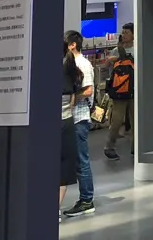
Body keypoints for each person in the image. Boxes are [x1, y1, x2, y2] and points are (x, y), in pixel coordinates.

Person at [62, 30, 96, 218]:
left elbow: (89, 90)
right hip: (72, 118)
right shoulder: (70, 64)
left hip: (79, 118)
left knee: (81, 160)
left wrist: (72, 97)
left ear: (72, 44)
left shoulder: (82, 63)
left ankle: (86, 200)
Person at [60, 39, 85, 222]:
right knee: (64, 168)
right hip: (66, 122)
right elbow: (72, 100)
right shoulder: (70, 70)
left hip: (47, 125)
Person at [105, 22, 135, 160]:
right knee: (116, 121)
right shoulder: (116, 50)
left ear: (134, 34)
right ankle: (109, 146)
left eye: (127, 32)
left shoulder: (137, 49)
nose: (124, 35)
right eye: (122, 32)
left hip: (134, 90)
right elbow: (110, 70)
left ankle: (136, 147)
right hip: (120, 91)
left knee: (136, 121)